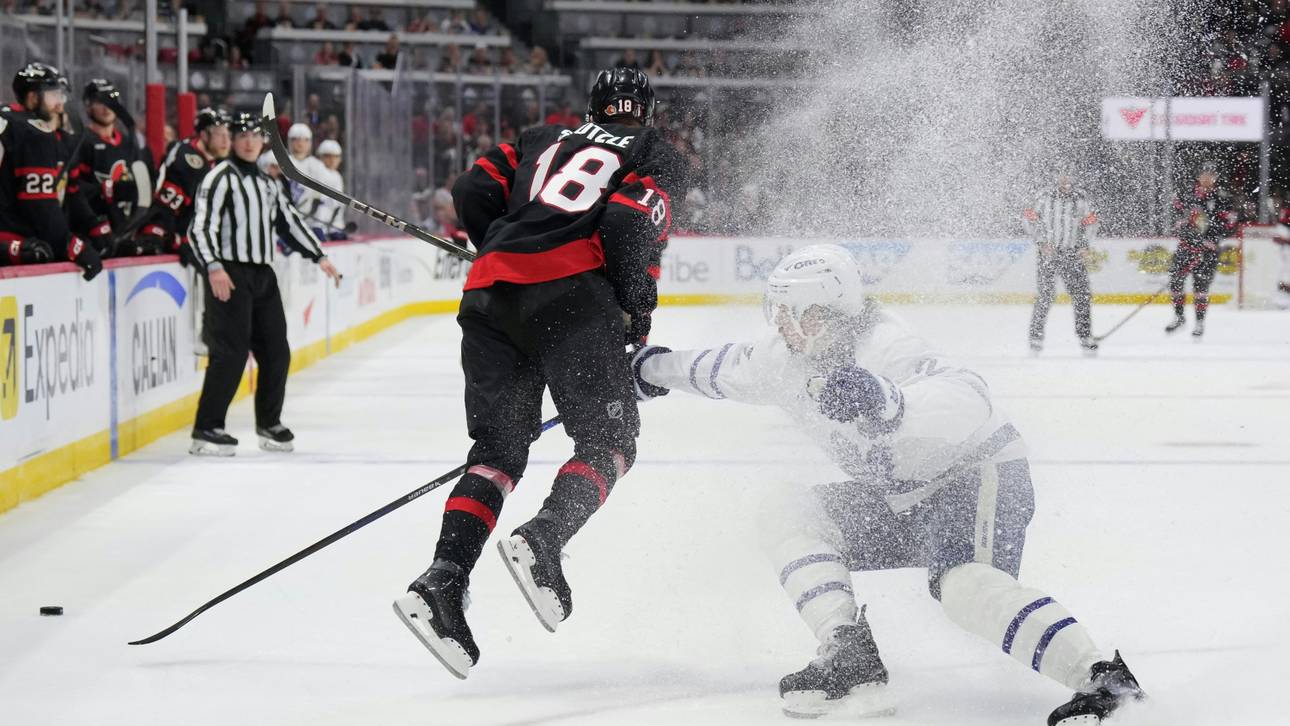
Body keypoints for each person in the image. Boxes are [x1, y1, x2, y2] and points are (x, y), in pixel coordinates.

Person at [631, 245, 1147, 725]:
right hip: (902, 498)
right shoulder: (782, 360)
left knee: (963, 586)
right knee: (785, 510)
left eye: (800, 314)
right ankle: (847, 650)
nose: (786, 327)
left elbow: (970, 398)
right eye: (778, 313)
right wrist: (643, 368)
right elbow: (716, 368)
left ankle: (1104, 680)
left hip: (977, 476)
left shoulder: (886, 345)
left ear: (835, 313)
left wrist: (889, 400)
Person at [392, 68, 688, 679]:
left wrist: (504, 244)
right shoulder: (654, 152)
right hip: (572, 301)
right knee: (610, 442)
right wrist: (635, 309)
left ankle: (442, 582)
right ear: (646, 112)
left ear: (592, 106)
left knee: (498, 453)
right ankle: (547, 537)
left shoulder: (537, 138)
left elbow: (472, 187)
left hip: (489, 295)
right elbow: (629, 222)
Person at [187, 112, 342, 456]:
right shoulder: (219, 178)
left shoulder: (267, 183)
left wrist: (320, 256)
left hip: (263, 275)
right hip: (229, 272)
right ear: (232, 138)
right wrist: (213, 267)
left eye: (255, 135)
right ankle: (207, 428)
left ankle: (269, 423)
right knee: (229, 353)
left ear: (263, 141)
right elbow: (199, 228)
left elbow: (290, 222)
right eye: (241, 134)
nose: (248, 141)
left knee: (276, 351)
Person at [0, 62, 102, 278]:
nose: (60, 104)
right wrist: (74, 247)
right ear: (32, 97)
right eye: (53, 95)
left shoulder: (7, 119)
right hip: (12, 240)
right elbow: (39, 205)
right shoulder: (34, 131)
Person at [75, 79, 157, 256]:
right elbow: (74, 188)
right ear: (88, 106)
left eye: (111, 100)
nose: (107, 107)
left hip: (126, 227)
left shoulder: (130, 143)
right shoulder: (82, 142)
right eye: (100, 102)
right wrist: (107, 190)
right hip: (93, 231)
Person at [1023, 170, 1099, 355]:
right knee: (1046, 295)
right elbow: (1028, 219)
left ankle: (1085, 336)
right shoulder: (1043, 197)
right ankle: (1035, 338)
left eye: (1070, 177)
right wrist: (1041, 242)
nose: (1067, 181)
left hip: (1072, 254)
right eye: (1063, 177)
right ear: (1056, 179)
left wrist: (1084, 245)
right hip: (1049, 255)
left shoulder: (1081, 198)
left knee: (1082, 295)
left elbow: (1091, 222)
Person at [150, 106, 232, 268]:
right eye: (219, 134)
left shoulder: (219, 161)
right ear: (203, 135)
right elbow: (164, 211)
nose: (225, 141)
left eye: (228, 135)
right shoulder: (187, 159)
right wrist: (176, 240)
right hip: (166, 239)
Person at [1166, 162, 1236, 338]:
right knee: (1175, 281)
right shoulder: (1186, 194)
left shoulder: (1222, 198)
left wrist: (1211, 239)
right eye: (1204, 174)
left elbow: (1229, 223)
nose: (1207, 178)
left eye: (1211, 175)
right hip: (1186, 247)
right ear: (1198, 176)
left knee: (1201, 287)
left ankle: (1199, 323)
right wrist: (1184, 229)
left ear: (1216, 177)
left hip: (1208, 251)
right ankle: (1179, 317)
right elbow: (1175, 216)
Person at [285, 122, 327, 220]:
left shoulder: (317, 165)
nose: (300, 143)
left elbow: (321, 194)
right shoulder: (282, 162)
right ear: (289, 141)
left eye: (305, 140)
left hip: (311, 218)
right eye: (296, 139)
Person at [312, 139, 346, 239]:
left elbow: (338, 206)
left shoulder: (338, 176)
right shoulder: (317, 172)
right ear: (320, 157)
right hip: (315, 224)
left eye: (336, 156)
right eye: (328, 156)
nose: (332, 160)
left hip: (332, 226)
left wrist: (337, 227)